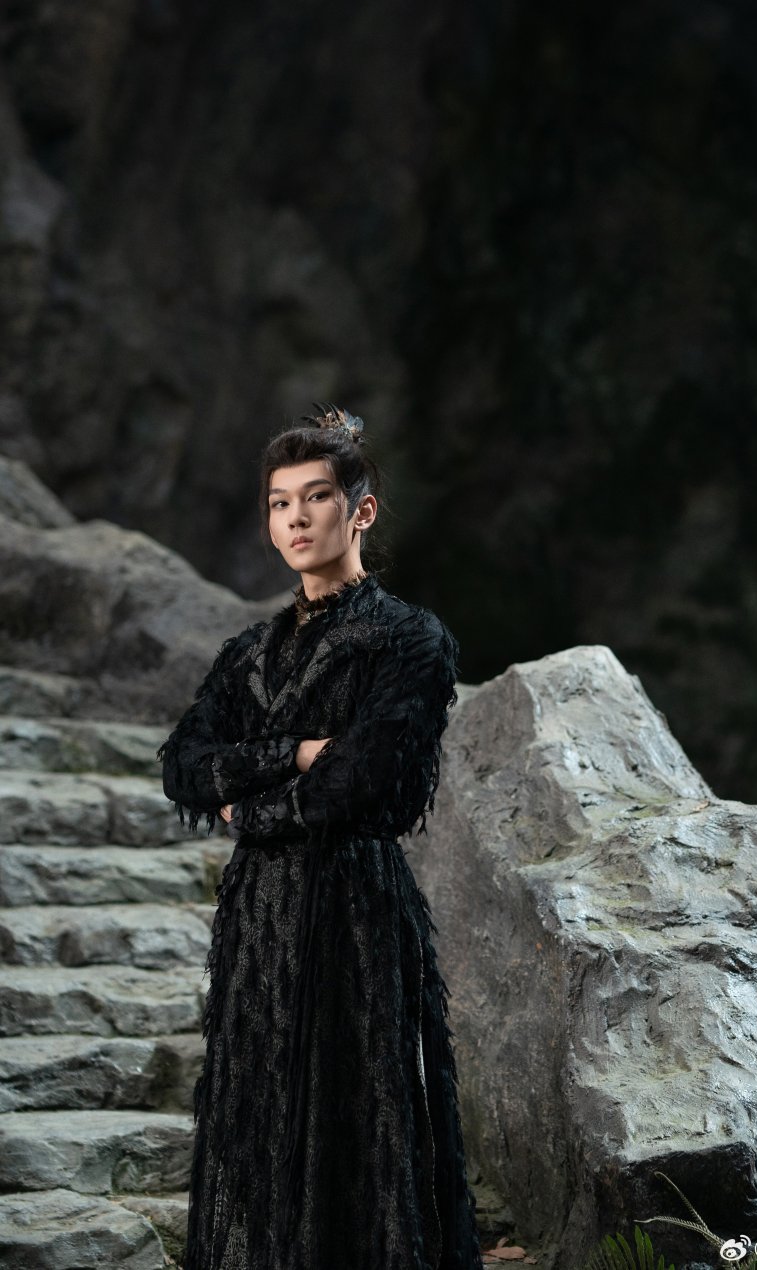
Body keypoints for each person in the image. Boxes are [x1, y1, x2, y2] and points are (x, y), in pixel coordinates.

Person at [157, 405, 485, 1270]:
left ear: (360, 511)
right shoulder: (248, 655)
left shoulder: (410, 639)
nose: (296, 518)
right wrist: (294, 752)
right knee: (259, 1119)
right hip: (258, 924)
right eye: (279, 503)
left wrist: (249, 810)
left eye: (315, 497)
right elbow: (184, 764)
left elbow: (370, 782)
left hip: (355, 916)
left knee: (359, 1121)